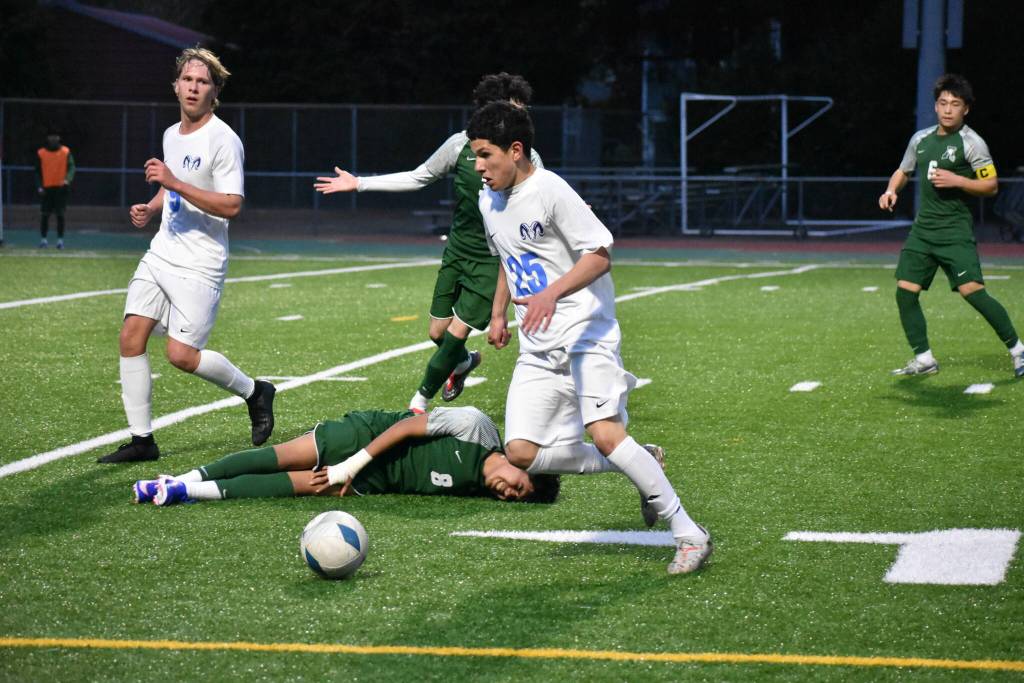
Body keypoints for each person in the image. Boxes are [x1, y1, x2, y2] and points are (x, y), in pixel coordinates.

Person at [465, 101, 712, 575]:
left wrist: (550, 294)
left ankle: (688, 533)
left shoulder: (550, 190)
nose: (478, 166)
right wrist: (498, 313)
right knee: (520, 453)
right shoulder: (487, 199)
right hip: (538, 347)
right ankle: (642, 460)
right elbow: (508, 258)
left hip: (585, 333)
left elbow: (600, 255)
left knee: (604, 434)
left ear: (515, 150)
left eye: (485, 155)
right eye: (475, 156)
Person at [314, 73, 544, 415]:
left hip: (492, 260)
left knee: (455, 334)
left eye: (523, 110)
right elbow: (418, 177)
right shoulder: (460, 146)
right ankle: (463, 363)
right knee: (438, 332)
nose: (521, 117)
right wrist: (360, 183)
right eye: (514, 109)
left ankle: (418, 403)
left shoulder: (526, 156)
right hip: (458, 250)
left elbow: (542, 194)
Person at [99, 47, 275, 464]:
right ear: (176, 86)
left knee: (181, 356)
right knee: (130, 336)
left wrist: (174, 182)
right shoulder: (171, 135)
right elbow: (170, 187)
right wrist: (152, 206)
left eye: (203, 82)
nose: (194, 88)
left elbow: (232, 204)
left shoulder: (223, 139)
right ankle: (142, 440)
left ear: (215, 92)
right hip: (162, 252)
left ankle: (255, 392)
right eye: (188, 80)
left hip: (201, 262)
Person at [879, 74, 1024, 378]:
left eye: (955, 104)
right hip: (923, 230)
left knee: (973, 292)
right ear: (935, 106)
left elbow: (991, 185)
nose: (948, 109)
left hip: (954, 231)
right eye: (943, 103)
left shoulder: (972, 143)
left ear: (965, 109)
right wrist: (891, 190)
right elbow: (903, 171)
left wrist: (957, 180)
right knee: (905, 292)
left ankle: (1018, 350)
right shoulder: (920, 139)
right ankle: (924, 359)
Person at [133, 406, 560, 506]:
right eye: (518, 486)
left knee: (298, 487)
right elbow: (405, 427)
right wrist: (350, 463)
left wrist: (353, 476)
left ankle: (182, 492)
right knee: (282, 457)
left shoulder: (476, 489)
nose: (509, 493)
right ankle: (182, 476)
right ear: (521, 463)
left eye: (514, 499)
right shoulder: (477, 427)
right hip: (365, 435)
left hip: (376, 479)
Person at [36, 129, 75, 249]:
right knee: (45, 215)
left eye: (55, 136)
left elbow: (71, 167)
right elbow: (37, 171)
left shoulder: (65, 151)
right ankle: (43, 240)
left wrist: (67, 179)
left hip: (61, 188)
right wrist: (39, 185)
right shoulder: (41, 153)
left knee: (60, 215)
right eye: (51, 136)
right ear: (48, 138)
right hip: (46, 189)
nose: (53, 138)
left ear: (59, 138)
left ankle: (60, 241)